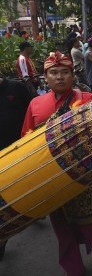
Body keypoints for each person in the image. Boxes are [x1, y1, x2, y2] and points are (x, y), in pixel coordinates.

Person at [22, 51, 92, 276]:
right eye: (54, 73)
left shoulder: (88, 99)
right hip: (51, 177)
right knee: (62, 227)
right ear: (45, 77)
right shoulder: (35, 104)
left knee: (91, 221)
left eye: (64, 72)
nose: (59, 77)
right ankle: (74, 269)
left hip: (84, 173)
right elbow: (26, 139)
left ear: (72, 74)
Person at [0, 77, 35, 260]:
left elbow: (34, 107)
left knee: (28, 184)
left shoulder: (16, 87)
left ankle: (35, 207)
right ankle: (3, 238)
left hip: (23, 147)